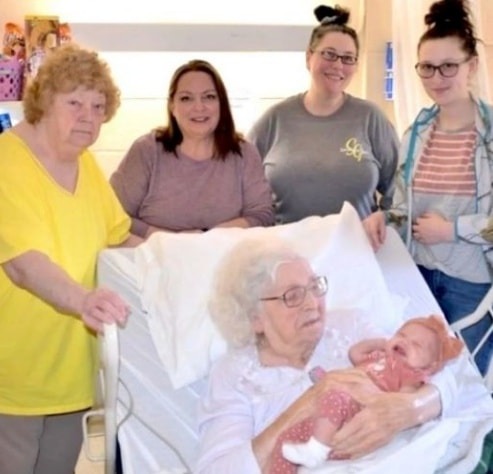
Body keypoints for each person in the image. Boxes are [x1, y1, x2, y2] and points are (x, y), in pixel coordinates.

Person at [196, 238, 460, 474]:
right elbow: (216, 469)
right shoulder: (233, 374)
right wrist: (309, 402)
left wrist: (410, 409)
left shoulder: (351, 325)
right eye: (293, 296)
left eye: (314, 287)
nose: (312, 303)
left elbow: (443, 372)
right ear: (255, 318)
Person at [0, 44, 142, 474]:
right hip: (13, 380)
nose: (89, 116)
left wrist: (180, 256)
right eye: (75, 102)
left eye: (99, 106)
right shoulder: (8, 161)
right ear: (44, 101)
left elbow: (119, 239)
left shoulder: (87, 166)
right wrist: (84, 301)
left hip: (73, 379)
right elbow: (22, 264)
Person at [363, 0, 493, 376]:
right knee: (414, 378)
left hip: (471, 283)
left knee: (463, 382)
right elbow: (404, 206)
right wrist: (383, 216)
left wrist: (451, 230)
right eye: (427, 68)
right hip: (417, 273)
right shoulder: (417, 131)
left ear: (472, 66)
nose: (437, 78)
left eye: (448, 66)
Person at [247, 4, 399, 225]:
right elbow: (241, 191)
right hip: (287, 253)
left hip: (357, 252)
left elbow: (400, 191)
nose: (338, 65)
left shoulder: (371, 119)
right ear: (309, 57)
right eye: (329, 54)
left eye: (348, 58)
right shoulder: (273, 120)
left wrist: (384, 222)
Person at [110, 59, 274, 238]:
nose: (199, 107)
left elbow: (262, 216)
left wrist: (207, 238)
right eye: (186, 98)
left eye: (209, 97)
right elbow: (113, 213)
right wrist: (169, 241)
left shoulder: (244, 153)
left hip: (228, 261)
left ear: (222, 104)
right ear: (172, 106)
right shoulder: (146, 151)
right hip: (156, 260)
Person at [277, 315, 463, 472]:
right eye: (401, 335)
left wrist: (368, 393)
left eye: (416, 345)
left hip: (358, 411)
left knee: (335, 396)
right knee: (288, 438)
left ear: (429, 365)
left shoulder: (411, 375)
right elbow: (355, 354)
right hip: (341, 402)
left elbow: (397, 404)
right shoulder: (380, 357)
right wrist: (382, 343)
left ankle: (317, 449)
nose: (404, 342)